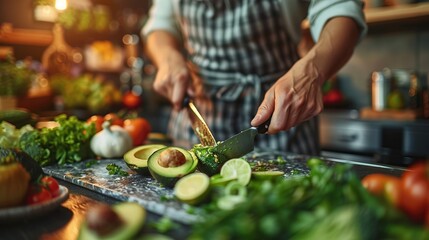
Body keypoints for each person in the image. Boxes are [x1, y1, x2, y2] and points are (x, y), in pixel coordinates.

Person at [141, 0, 367, 155]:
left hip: (283, 116)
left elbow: (341, 9)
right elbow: (161, 24)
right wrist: (167, 57)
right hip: (198, 121)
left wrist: (313, 70)